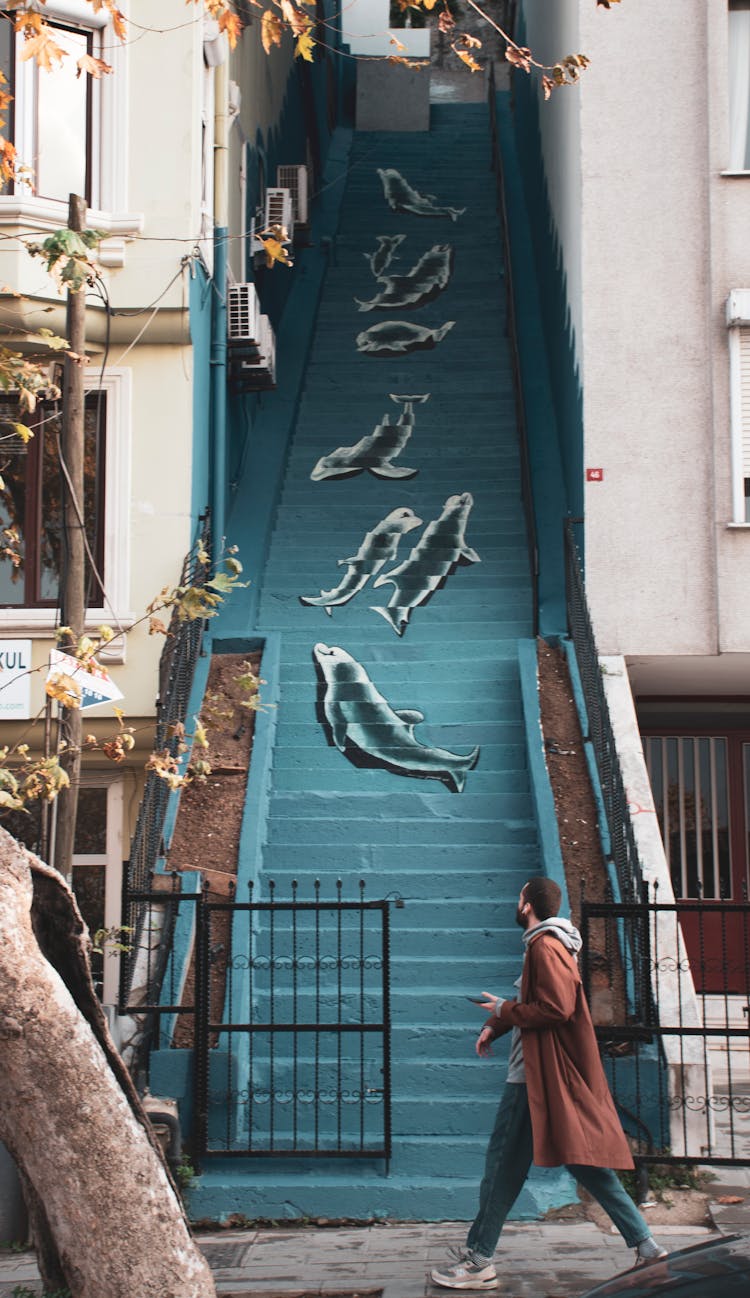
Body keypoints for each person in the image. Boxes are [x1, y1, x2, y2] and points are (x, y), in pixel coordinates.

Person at [430, 876, 667, 1291]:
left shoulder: (544, 945)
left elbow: (556, 1007)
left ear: (528, 905)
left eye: (519, 895)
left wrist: (504, 1008)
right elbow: (532, 1003)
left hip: (532, 1079)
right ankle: (646, 1247)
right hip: (542, 1076)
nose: (516, 901)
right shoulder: (546, 944)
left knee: (501, 1168)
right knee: (586, 1166)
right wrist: (495, 1023)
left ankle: (479, 1259)